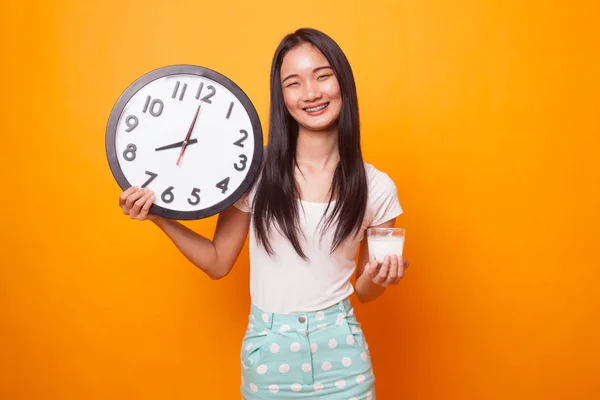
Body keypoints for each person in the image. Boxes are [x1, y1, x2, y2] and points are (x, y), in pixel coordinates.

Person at [118, 27, 408, 400]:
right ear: (282, 96)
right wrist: (158, 214)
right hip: (269, 354)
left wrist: (380, 276)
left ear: (343, 84)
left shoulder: (378, 187)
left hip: (344, 356)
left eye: (323, 76)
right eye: (294, 83)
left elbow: (367, 292)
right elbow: (218, 262)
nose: (312, 93)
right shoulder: (254, 172)